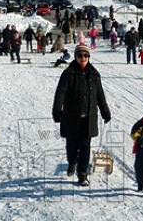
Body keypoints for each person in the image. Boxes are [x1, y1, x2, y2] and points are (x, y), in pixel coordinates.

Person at [52, 45, 112, 186]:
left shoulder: (94, 75)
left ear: (89, 57)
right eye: (80, 55)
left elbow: (100, 95)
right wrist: (56, 111)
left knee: (85, 147)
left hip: (89, 118)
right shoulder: (68, 74)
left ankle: (82, 173)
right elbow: (60, 93)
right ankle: (72, 162)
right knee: (72, 146)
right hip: (71, 117)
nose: (83, 58)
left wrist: (105, 112)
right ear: (75, 57)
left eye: (85, 55)